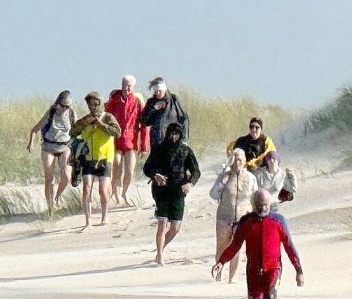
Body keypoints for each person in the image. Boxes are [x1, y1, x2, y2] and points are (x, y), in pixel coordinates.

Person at [212, 189, 304, 299]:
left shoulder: (278, 221)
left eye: (266, 204)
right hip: (253, 271)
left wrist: (299, 271)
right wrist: (221, 262)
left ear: (270, 203)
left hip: (273, 270)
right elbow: (235, 245)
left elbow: (289, 247)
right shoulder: (246, 221)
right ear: (253, 205)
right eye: (259, 205)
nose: (263, 208)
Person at [142, 122, 201, 265]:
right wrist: (155, 175)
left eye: (176, 134)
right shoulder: (158, 149)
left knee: (175, 227)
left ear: (180, 135)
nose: (173, 136)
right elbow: (146, 168)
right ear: (167, 133)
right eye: (171, 133)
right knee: (162, 223)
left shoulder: (186, 150)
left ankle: (161, 248)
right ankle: (160, 255)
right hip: (161, 190)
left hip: (178, 191)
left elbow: (196, 171)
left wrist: (190, 183)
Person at [70, 91, 122, 230]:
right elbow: (73, 132)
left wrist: (100, 124)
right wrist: (82, 124)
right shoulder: (85, 119)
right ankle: (88, 221)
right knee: (86, 189)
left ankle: (105, 216)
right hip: (88, 158)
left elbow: (117, 132)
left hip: (105, 158)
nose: (92, 107)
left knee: (103, 190)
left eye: (95, 104)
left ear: (100, 103)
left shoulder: (108, 117)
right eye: (90, 104)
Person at [209, 148, 257, 283]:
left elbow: (255, 198)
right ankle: (218, 274)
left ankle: (233, 277)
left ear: (245, 161)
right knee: (221, 247)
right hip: (224, 218)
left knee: (238, 248)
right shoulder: (225, 176)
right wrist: (222, 180)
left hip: (243, 219)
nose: (237, 163)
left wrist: (255, 217)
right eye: (235, 161)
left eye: (240, 160)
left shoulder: (251, 178)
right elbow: (213, 194)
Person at [27, 90, 77, 215]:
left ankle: (57, 196)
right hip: (48, 146)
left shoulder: (71, 113)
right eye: (64, 106)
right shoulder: (51, 113)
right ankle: (51, 208)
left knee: (66, 176)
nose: (66, 108)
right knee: (49, 177)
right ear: (58, 104)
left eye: (68, 106)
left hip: (65, 146)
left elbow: (77, 131)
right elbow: (34, 129)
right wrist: (31, 143)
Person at [106, 75, 150, 207]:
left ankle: (124, 193)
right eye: (124, 84)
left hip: (131, 142)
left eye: (129, 85)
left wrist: (144, 146)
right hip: (116, 141)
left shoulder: (138, 101)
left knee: (130, 171)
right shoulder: (114, 99)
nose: (126, 87)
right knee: (117, 166)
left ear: (133, 87)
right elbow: (105, 118)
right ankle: (117, 196)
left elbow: (144, 125)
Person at [140, 77, 189, 148]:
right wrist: (153, 109)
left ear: (164, 89)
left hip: (173, 140)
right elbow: (144, 122)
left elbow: (184, 119)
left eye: (159, 91)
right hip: (156, 142)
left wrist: (184, 139)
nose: (157, 93)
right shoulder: (151, 102)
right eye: (156, 91)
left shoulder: (174, 99)